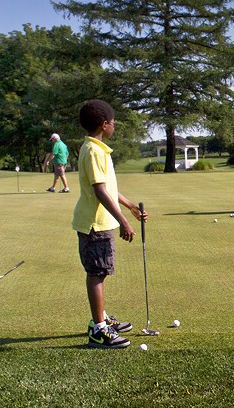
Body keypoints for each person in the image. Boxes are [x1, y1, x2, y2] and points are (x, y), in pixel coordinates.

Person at [72, 100, 147, 349]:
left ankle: (101, 318)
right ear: (105, 124)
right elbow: (100, 191)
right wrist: (123, 221)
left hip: (100, 223)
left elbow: (111, 189)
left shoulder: (98, 149)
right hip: (95, 224)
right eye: (113, 123)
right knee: (97, 273)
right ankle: (98, 329)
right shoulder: (93, 151)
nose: (114, 126)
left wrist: (130, 207)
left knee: (100, 271)